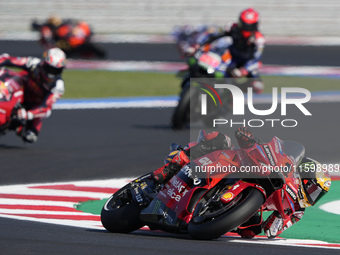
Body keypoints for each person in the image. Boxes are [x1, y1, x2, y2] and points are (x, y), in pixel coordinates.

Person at [151, 127, 331, 239]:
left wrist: (278, 218)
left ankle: (210, 213)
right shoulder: (285, 166)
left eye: (318, 193)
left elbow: (271, 231)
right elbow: (259, 146)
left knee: (250, 232)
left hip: (248, 207)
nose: (313, 195)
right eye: (314, 188)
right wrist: (248, 139)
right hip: (236, 165)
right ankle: (172, 165)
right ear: (304, 177)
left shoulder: (297, 211)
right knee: (219, 139)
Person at [183, 8, 265, 93]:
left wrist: (243, 70)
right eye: (243, 24)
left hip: (246, 63)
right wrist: (197, 46)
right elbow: (213, 35)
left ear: (256, 26)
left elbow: (256, 60)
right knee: (215, 70)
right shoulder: (232, 27)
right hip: (231, 57)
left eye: (249, 26)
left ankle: (234, 95)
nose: (246, 28)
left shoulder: (259, 39)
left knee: (258, 86)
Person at [0, 48, 67, 143]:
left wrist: (28, 114)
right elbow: (8, 59)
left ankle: (18, 125)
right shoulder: (34, 63)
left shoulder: (58, 86)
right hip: (22, 89)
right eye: (50, 69)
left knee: (30, 136)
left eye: (56, 71)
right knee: (7, 75)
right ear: (44, 63)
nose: (51, 74)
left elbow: (45, 108)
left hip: (34, 106)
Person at [32, 16, 105, 58]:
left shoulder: (64, 26)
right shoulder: (49, 30)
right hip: (70, 44)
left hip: (75, 43)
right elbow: (48, 41)